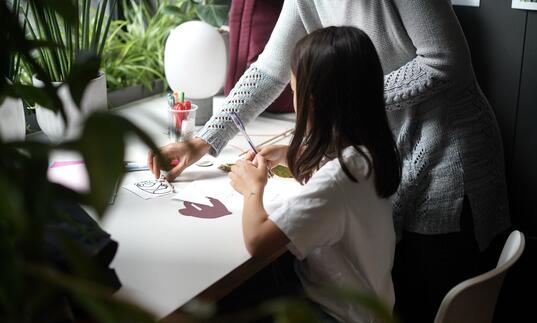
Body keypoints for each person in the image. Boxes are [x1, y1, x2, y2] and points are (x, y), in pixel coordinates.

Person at [149, 1, 511, 321]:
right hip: (379, 143)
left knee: (427, 296)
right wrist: (202, 140)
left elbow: (444, 60)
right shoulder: (358, 161)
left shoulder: (350, 165)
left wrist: (349, 98)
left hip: (447, 156)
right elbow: (270, 71)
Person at [228, 26, 401, 323]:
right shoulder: (370, 154)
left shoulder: (339, 178)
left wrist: (252, 188)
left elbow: (257, 242)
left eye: (294, 92)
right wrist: (292, 153)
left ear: (312, 101)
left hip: (335, 315)